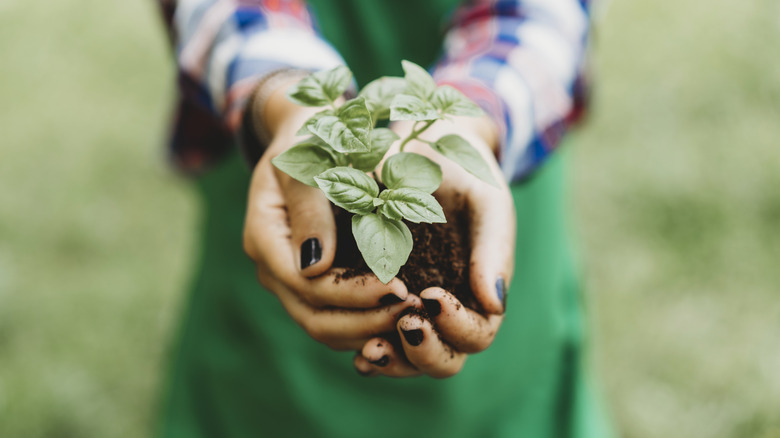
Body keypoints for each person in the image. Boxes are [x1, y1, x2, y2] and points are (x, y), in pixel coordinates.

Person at [155, 0, 611, 436]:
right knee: (262, 383)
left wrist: (470, 122)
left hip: (486, 168)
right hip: (283, 163)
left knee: (508, 382)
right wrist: (284, 96)